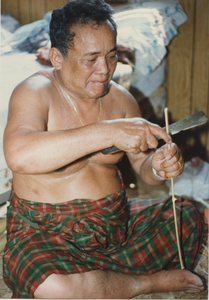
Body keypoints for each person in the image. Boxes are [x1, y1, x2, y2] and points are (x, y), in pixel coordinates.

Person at [3, 0, 206, 298]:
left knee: (186, 214)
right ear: (57, 58)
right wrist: (108, 131)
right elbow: (18, 155)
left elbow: (145, 171)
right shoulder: (34, 93)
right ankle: (145, 283)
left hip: (115, 228)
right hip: (47, 234)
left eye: (112, 56)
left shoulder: (123, 100)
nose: (105, 69)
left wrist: (159, 165)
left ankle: (107, 280)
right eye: (91, 59)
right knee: (52, 285)